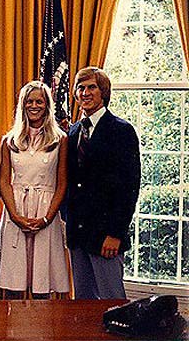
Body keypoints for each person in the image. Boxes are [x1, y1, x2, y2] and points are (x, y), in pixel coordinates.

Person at [66, 66, 141, 299]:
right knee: (83, 304)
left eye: (92, 87)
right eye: (81, 88)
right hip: (78, 235)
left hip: (106, 235)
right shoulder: (73, 131)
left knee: (112, 302)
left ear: (103, 92)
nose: (85, 93)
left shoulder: (121, 130)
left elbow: (129, 188)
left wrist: (116, 233)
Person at [0, 81, 70, 299]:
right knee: (13, 282)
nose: (34, 105)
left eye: (39, 101)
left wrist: (47, 218)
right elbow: (4, 182)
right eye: (29, 101)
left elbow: (62, 183)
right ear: (23, 105)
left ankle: (41, 332)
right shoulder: (9, 140)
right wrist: (15, 215)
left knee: (42, 281)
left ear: (47, 105)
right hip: (16, 211)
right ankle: (12, 331)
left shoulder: (60, 139)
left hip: (46, 211)